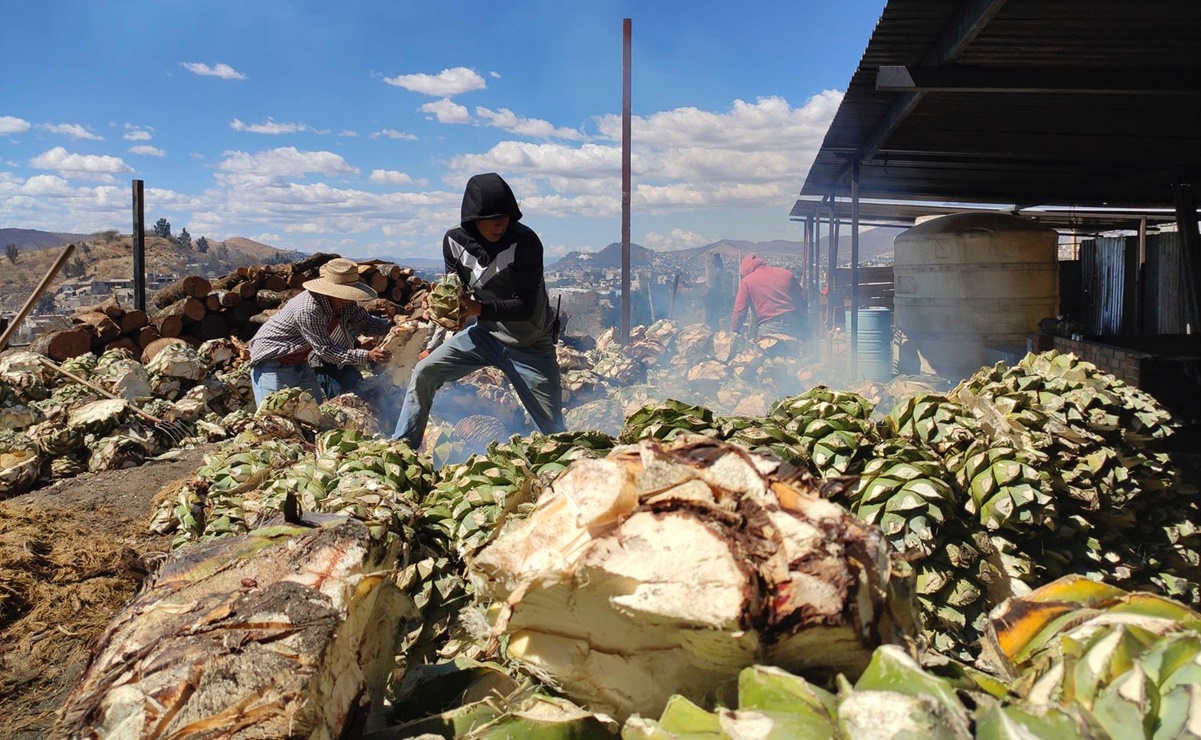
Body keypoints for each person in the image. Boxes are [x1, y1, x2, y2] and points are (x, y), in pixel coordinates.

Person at [392, 172, 565, 448]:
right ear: (473, 219)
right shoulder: (454, 242)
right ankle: (402, 446)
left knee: (553, 429)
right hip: (486, 336)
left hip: (531, 343)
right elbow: (454, 288)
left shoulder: (525, 242)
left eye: (507, 216)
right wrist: (443, 307)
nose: (501, 224)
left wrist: (476, 309)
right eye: (493, 218)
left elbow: (526, 305)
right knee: (425, 371)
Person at [247, 257, 392, 407]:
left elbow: (366, 323)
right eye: (347, 294)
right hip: (272, 361)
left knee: (315, 413)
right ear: (332, 292)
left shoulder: (345, 303)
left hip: (299, 361)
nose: (350, 299)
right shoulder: (309, 309)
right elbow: (327, 351)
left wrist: (393, 326)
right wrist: (367, 356)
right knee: (274, 413)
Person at [730, 253, 804, 337]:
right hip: (795, 325)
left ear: (745, 271)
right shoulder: (787, 274)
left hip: (770, 327)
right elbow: (801, 298)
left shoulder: (747, 282)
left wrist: (733, 332)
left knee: (765, 349)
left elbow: (740, 310)